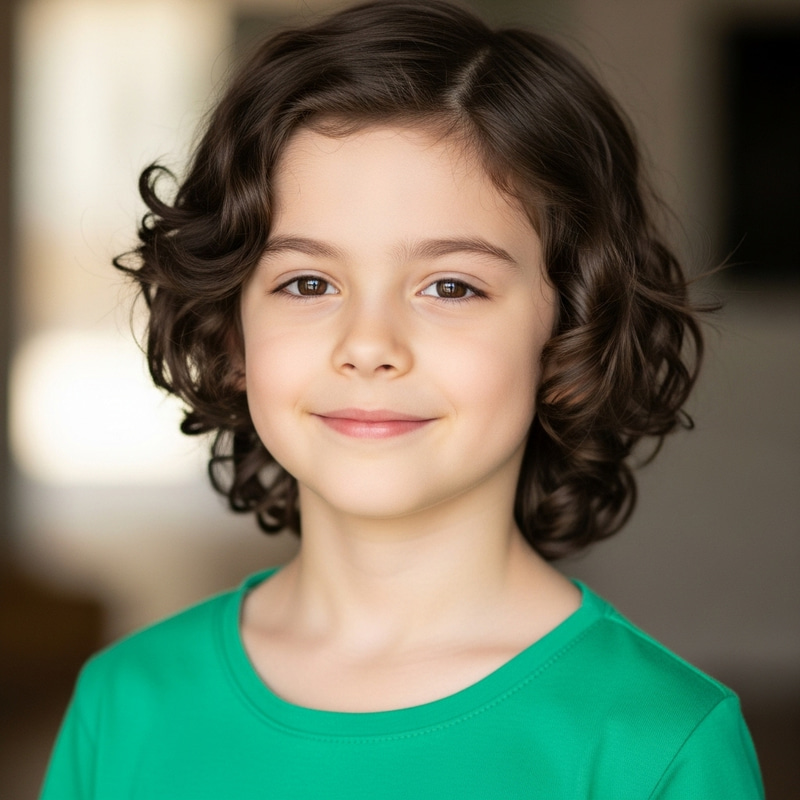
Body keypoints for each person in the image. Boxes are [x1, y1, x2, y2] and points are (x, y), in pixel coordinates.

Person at [40, 1, 764, 797]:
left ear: (568, 331)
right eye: (308, 282)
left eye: (451, 286)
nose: (370, 345)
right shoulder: (126, 704)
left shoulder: (660, 742)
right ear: (231, 333)